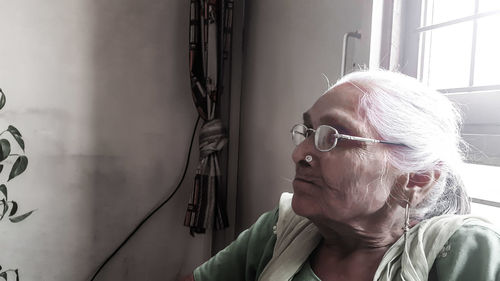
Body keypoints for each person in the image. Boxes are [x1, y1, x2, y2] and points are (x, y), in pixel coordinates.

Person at [182, 70, 500, 281]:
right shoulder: (280, 228)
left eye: (334, 136)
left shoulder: (464, 252)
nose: (299, 154)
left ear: (416, 177)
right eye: (308, 131)